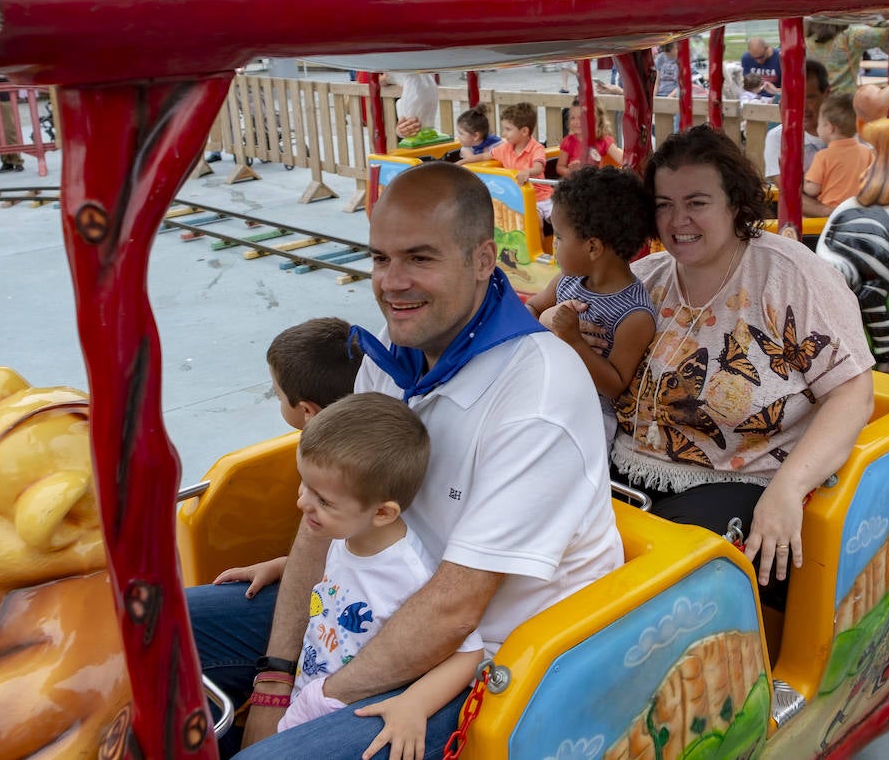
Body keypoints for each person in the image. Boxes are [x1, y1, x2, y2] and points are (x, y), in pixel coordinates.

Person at [190, 162, 622, 756]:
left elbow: (454, 608)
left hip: (486, 661)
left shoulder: (537, 396)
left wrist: (307, 705)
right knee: (153, 629)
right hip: (374, 601)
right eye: (380, 258)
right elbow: (327, 507)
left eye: (419, 258)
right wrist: (273, 679)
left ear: (481, 260)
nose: (392, 282)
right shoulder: (397, 352)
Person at [611, 125, 874, 587]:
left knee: (654, 582)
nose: (677, 221)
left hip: (740, 483)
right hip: (623, 470)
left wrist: (787, 488)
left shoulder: (789, 277)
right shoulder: (643, 280)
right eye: (664, 205)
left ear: (735, 202)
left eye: (696, 203)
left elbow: (852, 392)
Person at [270, 393, 484, 760]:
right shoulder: (346, 532)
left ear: (383, 513)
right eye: (304, 484)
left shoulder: (406, 572)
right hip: (311, 688)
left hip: (351, 713)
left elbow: (469, 653)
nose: (302, 502)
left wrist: (415, 704)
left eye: (323, 500)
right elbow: (335, 581)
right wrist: (277, 566)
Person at [210, 316, 363, 601]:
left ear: (307, 411)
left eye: (278, 395)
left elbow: (348, 550)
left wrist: (285, 566)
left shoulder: (333, 470)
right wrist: (285, 564)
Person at [526, 167, 655, 440]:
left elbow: (615, 385)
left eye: (559, 238)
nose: (554, 246)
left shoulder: (634, 314)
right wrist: (544, 321)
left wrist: (575, 341)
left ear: (593, 247)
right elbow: (530, 309)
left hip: (589, 416)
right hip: (548, 393)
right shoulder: (566, 281)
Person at [460, 102, 553, 220]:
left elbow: (538, 167)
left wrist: (527, 172)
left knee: (559, 221)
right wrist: (463, 162)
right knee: (535, 223)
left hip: (544, 197)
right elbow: (485, 156)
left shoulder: (536, 148)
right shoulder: (505, 148)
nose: (503, 134)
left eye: (508, 129)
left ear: (524, 131)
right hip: (523, 199)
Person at [763, 60, 831, 219]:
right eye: (794, 97)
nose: (803, 106)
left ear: (826, 94)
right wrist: (831, 214)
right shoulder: (777, 138)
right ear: (782, 103)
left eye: (810, 98)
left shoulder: (851, 134)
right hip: (804, 226)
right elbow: (790, 194)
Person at [803, 92, 874, 216]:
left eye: (819, 124)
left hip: (833, 214)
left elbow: (812, 189)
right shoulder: (867, 152)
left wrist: (805, 182)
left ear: (830, 127)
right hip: (861, 211)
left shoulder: (823, 156)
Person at [804, 19, 888, 93]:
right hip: (845, 101)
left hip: (818, 100)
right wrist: (871, 19)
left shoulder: (804, 39)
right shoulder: (852, 36)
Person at [557, 98, 621, 172]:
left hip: (594, 181)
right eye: (572, 118)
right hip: (575, 181)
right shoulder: (568, 142)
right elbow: (560, 167)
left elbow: (622, 160)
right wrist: (571, 172)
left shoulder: (603, 140)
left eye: (581, 118)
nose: (576, 122)